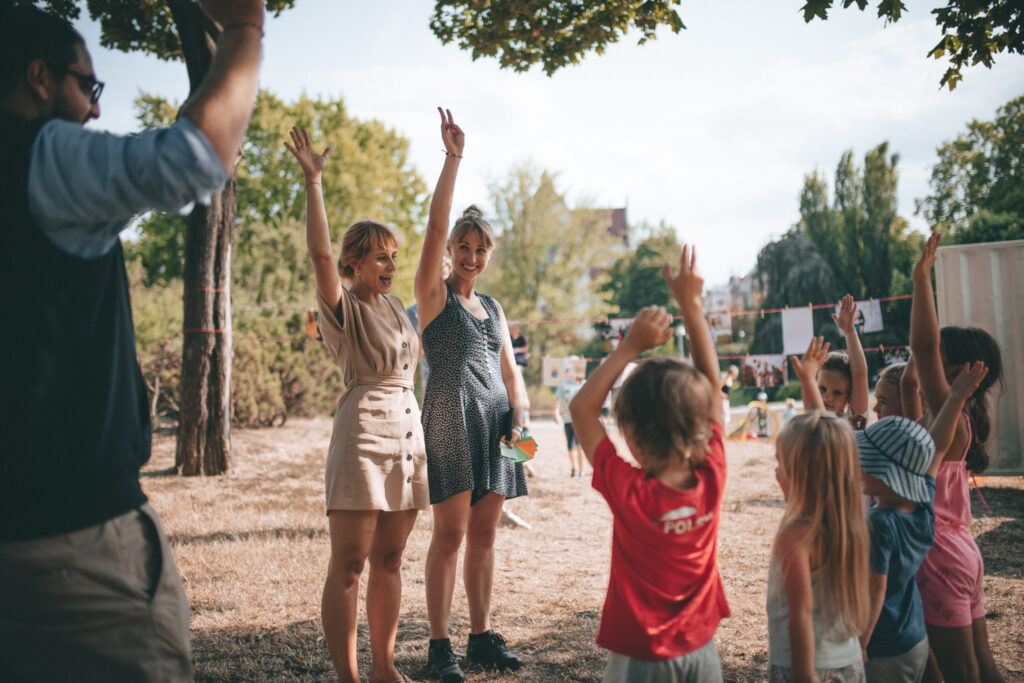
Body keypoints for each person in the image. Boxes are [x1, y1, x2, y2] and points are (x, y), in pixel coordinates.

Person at [0, 3, 262, 680]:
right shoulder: (36, 154)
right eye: (89, 86)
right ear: (38, 77)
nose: (92, 111)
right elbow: (192, 159)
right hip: (70, 552)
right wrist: (244, 30)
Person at [285, 127, 427, 683]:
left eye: (392, 256)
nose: (388, 265)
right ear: (352, 265)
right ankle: (347, 677)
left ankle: (385, 668)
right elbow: (319, 250)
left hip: (407, 437)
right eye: (376, 257)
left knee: (391, 561)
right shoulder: (342, 307)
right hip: (363, 435)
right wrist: (314, 181)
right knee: (348, 566)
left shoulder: (397, 307)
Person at [569, 245, 730, 682]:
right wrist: (692, 307)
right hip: (701, 650)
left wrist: (629, 347)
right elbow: (712, 389)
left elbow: (582, 409)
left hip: (641, 660)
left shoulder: (630, 492)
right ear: (699, 425)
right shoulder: (711, 476)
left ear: (634, 438)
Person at [414, 109, 529, 682]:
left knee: (486, 535)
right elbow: (434, 230)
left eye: (481, 249)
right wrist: (452, 160)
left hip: (499, 424)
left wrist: (523, 426)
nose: (472, 256)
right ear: (452, 247)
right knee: (451, 535)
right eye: (464, 245)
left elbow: (512, 372)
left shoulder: (497, 308)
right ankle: (440, 649)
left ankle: (481, 637)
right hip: (449, 419)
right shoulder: (433, 295)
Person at [905, 233, 1005, 683]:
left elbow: (923, 348)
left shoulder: (951, 414)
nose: (927, 358)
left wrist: (921, 281)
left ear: (960, 370)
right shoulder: (950, 419)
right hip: (960, 548)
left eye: (937, 356)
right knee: (980, 665)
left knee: (958, 671)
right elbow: (913, 370)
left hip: (938, 553)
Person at [856, 363, 989, 683]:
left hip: (885, 646)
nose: (857, 469)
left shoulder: (880, 525)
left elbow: (875, 591)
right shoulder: (923, 507)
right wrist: (955, 398)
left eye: (863, 463)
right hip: (915, 638)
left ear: (883, 472)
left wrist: (860, 642)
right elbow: (937, 446)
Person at [768, 410, 871, 683]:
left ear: (802, 474)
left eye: (781, 464)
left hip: (806, 666)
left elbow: (800, 613)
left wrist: (804, 676)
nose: (776, 472)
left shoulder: (796, 536)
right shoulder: (852, 526)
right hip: (849, 661)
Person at [818, 294, 870, 429]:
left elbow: (860, 373)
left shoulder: (853, 420)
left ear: (850, 395)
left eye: (838, 392)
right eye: (822, 388)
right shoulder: (811, 419)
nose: (827, 397)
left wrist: (850, 331)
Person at [406, 252, 452, 389]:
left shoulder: (460, 308)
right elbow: (412, 357)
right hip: (431, 382)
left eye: (444, 280)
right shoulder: (413, 312)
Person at [553, 357, 586, 478]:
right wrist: (556, 412)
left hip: (580, 420)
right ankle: (574, 468)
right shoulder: (563, 384)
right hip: (567, 419)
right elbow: (558, 401)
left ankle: (582, 472)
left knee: (580, 446)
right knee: (570, 446)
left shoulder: (583, 383)